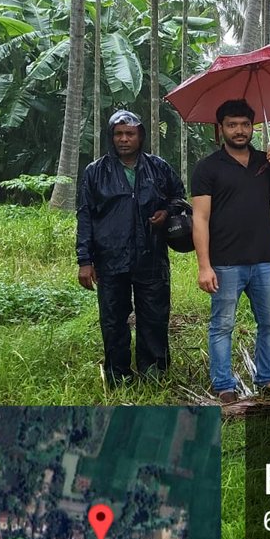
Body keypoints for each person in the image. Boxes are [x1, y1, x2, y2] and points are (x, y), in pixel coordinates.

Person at [191, 99, 270, 404]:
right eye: (232, 125)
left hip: (263, 261)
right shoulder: (207, 168)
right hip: (224, 263)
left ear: (253, 127)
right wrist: (204, 266)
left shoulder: (265, 162)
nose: (240, 131)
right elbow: (200, 218)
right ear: (220, 128)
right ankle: (224, 385)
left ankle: (267, 378)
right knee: (223, 325)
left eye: (245, 125)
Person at [76, 109, 185, 385]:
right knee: (113, 320)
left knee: (154, 317)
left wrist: (164, 211)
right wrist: (84, 260)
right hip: (110, 258)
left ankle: (154, 374)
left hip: (151, 256)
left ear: (141, 136)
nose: (124, 139)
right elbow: (85, 215)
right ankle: (118, 375)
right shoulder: (95, 172)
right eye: (118, 134)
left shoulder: (158, 167)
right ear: (110, 137)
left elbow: (178, 197)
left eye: (130, 134)